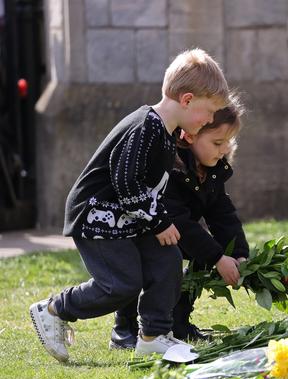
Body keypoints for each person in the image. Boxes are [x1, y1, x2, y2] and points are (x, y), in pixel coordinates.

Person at [29, 48, 229, 362]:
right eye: (208, 112)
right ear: (187, 99)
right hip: (97, 216)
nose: (208, 121)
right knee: (120, 285)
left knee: (167, 262)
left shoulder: (167, 132)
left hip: (128, 218)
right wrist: (160, 222)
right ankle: (54, 309)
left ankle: (153, 335)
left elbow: (148, 188)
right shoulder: (145, 127)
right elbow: (127, 183)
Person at [110, 98, 249, 348]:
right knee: (137, 270)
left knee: (202, 256)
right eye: (217, 142)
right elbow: (180, 222)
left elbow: (222, 214)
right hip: (145, 228)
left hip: (174, 233)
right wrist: (218, 257)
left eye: (228, 142)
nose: (224, 149)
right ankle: (125, 327)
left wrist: (237, 254)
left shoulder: (213, 169)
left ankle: (178, 319)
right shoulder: (172, 167)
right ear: (192, 135)